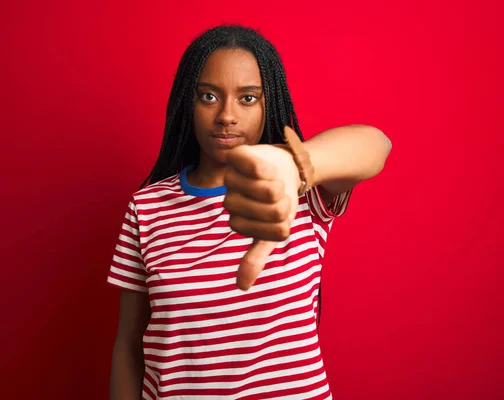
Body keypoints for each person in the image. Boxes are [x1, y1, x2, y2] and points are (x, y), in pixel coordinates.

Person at [107, 24, 392, 400]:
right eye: (209, 96)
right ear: (186, 103)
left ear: (267, 104)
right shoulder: (147, 208)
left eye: (247, 98)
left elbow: (377, 144)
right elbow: (129, 344)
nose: (226, 115)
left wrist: (297, 166)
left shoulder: (302, 192)